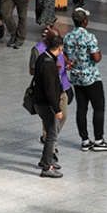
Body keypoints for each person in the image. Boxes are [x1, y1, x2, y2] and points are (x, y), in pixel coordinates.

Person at [64, 8, 107, 152]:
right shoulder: (89, 37)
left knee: (81, 108)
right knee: (98, 107)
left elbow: (64, 54)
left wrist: (70, 62)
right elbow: (96, 58)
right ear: (85, 21)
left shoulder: (67, 37)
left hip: (76, 77)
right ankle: (99, 140)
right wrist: (98, 53)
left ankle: (85, 140)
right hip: (91, 77)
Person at [31, 32, 66, 177]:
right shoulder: (49, 64)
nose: (62, 52)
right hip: (46, 104)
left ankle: (46, 159)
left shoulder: (42, 57)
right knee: (51, 134)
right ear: (58, 48)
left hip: (39, 102)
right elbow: (50, 90)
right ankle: (47, 167)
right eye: (61, 49)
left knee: (50, 132)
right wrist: (57, 109)